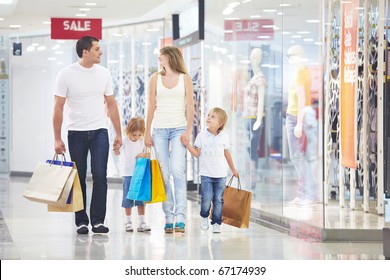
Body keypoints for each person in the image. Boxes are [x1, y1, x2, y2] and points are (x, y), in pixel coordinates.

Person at [53, 36, 122, 234]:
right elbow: (58, 107)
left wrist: (118, 133)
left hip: (100, 131)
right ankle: (81, 221)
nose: (101, 52)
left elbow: (111, 104)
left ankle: (98, 221)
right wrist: (57, 138)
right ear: (85, 52)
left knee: (101, 175)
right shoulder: (66, 74)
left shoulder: (104, 73)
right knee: (79, 177)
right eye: (97, 49)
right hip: (76, 133)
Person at [144, 46, 194, 234]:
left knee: (177, 171)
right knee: (164, 174)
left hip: (179, 129)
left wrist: (188, 131)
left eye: (161, 56)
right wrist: (147, 132)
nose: (159, 58)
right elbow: (151, 106)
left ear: (170, 57)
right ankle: (169, 216)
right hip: (159, 130)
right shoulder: (155, 78)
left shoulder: (185, 79)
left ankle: (180, 217)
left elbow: (190, 107)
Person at [182, 107, 239, 233]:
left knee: (219, 199)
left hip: (221, 175)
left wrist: (233, 169)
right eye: (208, 115)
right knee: (206, 198)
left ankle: (216, 222)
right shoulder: (201, 136)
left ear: (220, 124)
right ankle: (204, 216)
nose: (208, 117)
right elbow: (196, 154)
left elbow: (227, 154)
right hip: (206, 174)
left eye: (213, 116)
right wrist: (187, 145)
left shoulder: (224, 137)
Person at [284, 44, 319, 206]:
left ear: (299, 55)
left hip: (295, 117)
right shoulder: (302, 71)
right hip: (295, 116)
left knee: (297, 156)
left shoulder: (300, 73)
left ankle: (307, 194)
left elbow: (302, 99)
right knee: (298, 156)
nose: (290, 59)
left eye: (291, 56)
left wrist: (298, 123)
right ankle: (305, 193)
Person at [114, 117, 151, 232]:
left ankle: (142, 222)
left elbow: (148, 154)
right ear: (128, 132)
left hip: (140, 174)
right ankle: (128, 221)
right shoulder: (125, 141)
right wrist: (115, 149)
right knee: (128, 199)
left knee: (141, 199)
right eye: (134, 135)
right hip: (128, 174)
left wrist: (142, 154)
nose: (137, 137)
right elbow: (117, 153)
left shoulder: (142, 141)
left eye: (139, 135)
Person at [242, 48, 267, 195]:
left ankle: (252, 182)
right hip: (247, 118)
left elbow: (261, 102)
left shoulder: (260, 79)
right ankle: (249, 180)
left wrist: (258, 120)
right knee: (248, 151)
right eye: (252, 55)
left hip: (254, 119)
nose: (253, 59)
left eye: (257, 56)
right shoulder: (253, 78)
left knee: (253, 152)